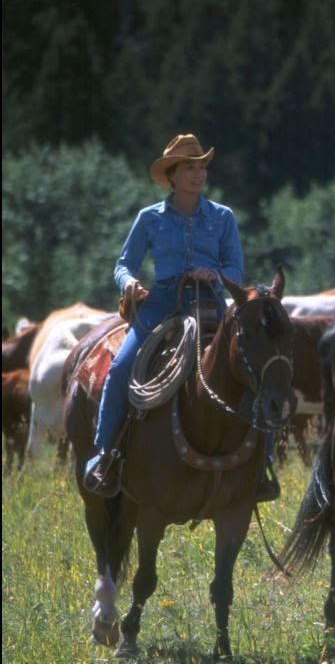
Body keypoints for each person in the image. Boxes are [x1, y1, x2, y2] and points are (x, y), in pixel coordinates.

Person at [83, 134, 280, 502]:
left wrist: (217, 274)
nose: (198, 172)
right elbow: (123, 264)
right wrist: (129, 283)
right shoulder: (149, 218)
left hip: (211, 303)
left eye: (202, 165)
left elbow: (235, 265)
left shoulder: (223, 217)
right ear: (171, 175)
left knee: (255, 367)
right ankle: (104, 453)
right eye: (190, 166)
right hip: (162, 302)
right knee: (121, 367)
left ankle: (263, 465)